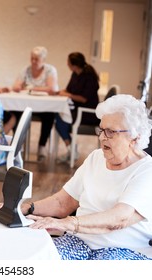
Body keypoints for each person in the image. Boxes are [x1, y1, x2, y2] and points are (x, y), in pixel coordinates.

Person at [19, 94, 152, 260]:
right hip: (80, 240)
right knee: (38, 260)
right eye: (102, 130)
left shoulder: (147, 170)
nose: (103, 137)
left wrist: (69, 223)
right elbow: (63, 202)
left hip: (125, 249)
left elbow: (120, 218)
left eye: (111, 132)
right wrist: (26, 208)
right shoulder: (96, 157)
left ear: (134, 137)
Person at [10, 46, 59, 159]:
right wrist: (21, 87)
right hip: (26, 105)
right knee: (15, 112)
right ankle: (18, 144)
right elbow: (16, 86)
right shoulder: (26, 70)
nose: (33, 61)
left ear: (43, 59)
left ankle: (42, 145)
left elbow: (51, 88)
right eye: (32, 58)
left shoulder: (50, 70)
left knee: (49, 115)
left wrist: (30, 87)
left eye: (36, 59)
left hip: (44, 107)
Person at [55, 52, 100, 162]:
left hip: (88, 113)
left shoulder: (89, 77)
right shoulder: (75, 73)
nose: (67, 64)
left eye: (68, 62)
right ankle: (71, 149)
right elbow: (69, 90)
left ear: (74, 65)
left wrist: (67, 95)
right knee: (57, 116)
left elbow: (83, 99)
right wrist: (57, 92)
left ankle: (72, 150)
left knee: (60, 120)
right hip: (77, 109)